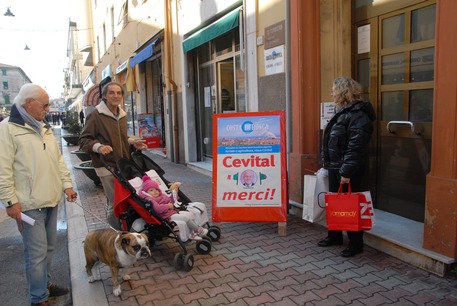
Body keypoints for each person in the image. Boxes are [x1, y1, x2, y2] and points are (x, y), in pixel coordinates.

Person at [0, 83, 78, 306]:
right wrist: (10, 202)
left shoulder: (43, 127)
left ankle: (44, 285)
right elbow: (2, 169)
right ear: (28, 104)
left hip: (51, 200)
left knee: (49, 249)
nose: (47, 108)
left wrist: (67, 186)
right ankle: (38, 298)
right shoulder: (7, 129)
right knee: (36, 255)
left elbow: (58, 161)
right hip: (28, 205)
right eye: (44, 104)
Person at [317, 76, 375, 257]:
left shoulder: (358, 114)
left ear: (343, 92)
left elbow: (355, 147)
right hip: (336, 166)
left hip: (348, 169)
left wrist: (347, 172)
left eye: (334, 90)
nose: (331, 93)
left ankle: (356, 243)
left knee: (350, 205)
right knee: (335, 204)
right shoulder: (342, 111)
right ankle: (334, 235)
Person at [79, 81, 147, 230]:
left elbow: (120, 138)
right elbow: (84, 140)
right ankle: (115, 234)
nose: (116, 96)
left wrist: (132, 143)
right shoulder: (96, 115)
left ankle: (125, 228)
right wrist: (98, 147)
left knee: (125, 199)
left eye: (118, 93)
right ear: (104, 96)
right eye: (111, 93)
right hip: (106, 166)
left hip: (123, 164)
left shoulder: (121, 114)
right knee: (114, 202)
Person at [139, 175, 208, 240]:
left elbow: (170, 201)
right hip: (166, 217)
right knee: (185, 218)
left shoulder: (162, 196)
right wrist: (167, 206)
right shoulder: (150, 200)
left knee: (189, 214)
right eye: (151, 190)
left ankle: (192, 233)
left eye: (156, 189)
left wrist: (174, 195)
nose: (155, 191)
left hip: (173, 212)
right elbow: (158, 209)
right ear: (146, 193)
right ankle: (199, 230)